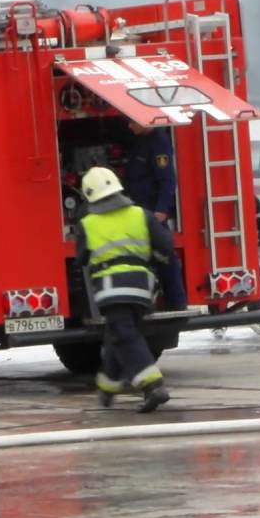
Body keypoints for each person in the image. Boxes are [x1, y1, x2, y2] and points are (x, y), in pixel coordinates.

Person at [76, 166, 172, 413]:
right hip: (142, 287)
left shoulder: (88, 224)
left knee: (123, 333)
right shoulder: (142, 214)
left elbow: (81, 259)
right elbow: (165, 246)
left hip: (110, 290)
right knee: (118, 335)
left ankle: (153, 385)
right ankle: (107, 387)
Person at [124, 122, 187, 309]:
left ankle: (177, 302)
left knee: (164, 256)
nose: (129, 126)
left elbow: (167, 180)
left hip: (152, 212)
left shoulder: (159, 142)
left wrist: (161, 210)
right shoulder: (140, 140)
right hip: (138, 210)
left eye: (132, 121)